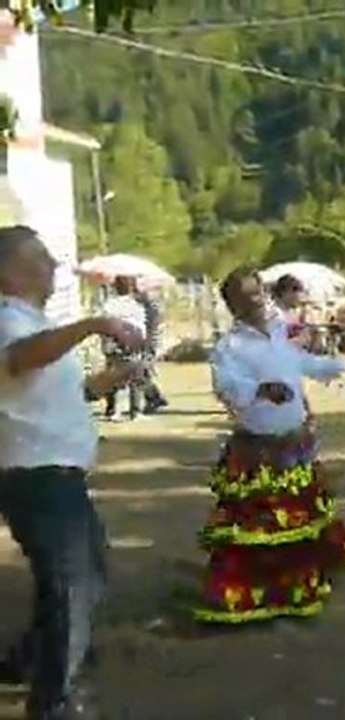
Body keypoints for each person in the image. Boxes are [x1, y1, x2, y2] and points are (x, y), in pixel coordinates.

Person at [0, 225, 145, 719]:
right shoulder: (7, 321)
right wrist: (93, 325)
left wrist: (107, 381)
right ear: (8, 272)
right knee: (73, 585)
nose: (54, 267)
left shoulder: (31, 323)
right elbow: (20, 360)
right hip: (36, 476)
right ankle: (52, 701)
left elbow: (52, 393)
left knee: (84, 574)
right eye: (40, 258)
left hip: (56, 475)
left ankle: (28, 660)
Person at [197, 267, 345, 624]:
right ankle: (259, 592)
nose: (256, 300)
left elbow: (304, 363)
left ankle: (298, 586)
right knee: (261, 527)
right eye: (246, 296)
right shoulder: (229, 346)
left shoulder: (279, 333)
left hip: (293, 446)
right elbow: (225, 386)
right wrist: (260, 390)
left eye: (258, 291)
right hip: (257, 453)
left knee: (299, 521)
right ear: (232, 305)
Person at [100, 276, 147, 421]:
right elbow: (141, 326)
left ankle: (114, 410)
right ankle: (135, 411)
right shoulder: (136, 306)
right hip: (132, 344)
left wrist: (105, 343)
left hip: (113, 344)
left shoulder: (108, 305)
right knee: (135, 378)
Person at [135, 284, 168, 414]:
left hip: (149, 343)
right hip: (149, 342)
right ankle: (154, 397)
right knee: (144, 372)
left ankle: (154, 397)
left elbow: (150, 327)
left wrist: (147, 344)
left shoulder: (149, 307)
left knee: (142, 372)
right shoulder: (149, 306)